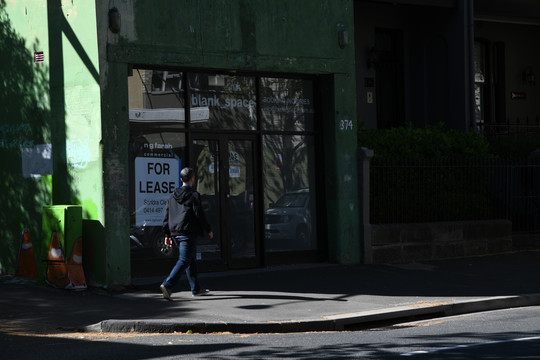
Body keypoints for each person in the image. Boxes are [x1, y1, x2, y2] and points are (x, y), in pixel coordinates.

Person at [160, 167, 214, 301]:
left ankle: (195, 289)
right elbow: (199, 214)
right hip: (187, 232)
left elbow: (167, 215)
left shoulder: (172, 195)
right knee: (184, 260)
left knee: (190, 259)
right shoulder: (194, 195)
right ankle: (168, 285)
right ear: (192, 179)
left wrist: (167, 234)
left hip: (175, 233)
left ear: (181, 179)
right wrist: (208, 229)